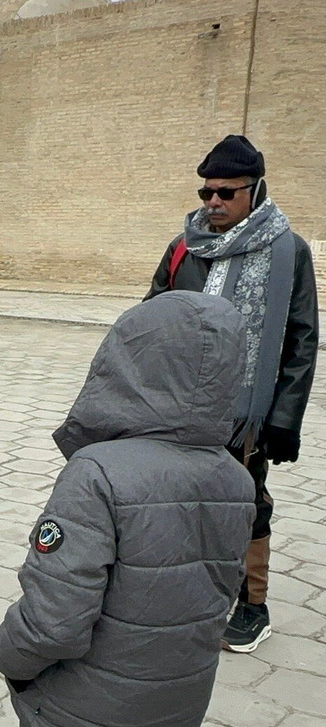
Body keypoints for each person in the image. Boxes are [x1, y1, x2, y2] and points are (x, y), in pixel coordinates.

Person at [0, 292, 257, 727]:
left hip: (79, 717)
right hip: (170, 710)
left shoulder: (97, 473)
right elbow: (218, 595)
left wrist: (9, 656)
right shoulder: (235, 478)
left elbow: (54, 621)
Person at [145, 134, 318, 653]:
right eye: (206, 193)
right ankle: (190, 592)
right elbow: (150, 317)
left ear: (254, 190)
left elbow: (301, 336)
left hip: (245, 414)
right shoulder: (183, 247)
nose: (213, 202)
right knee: (178, 499)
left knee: (246, 503)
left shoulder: (289, 250)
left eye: (226, 192)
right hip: (178, 407)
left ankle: (252, 606)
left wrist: (285, 417)